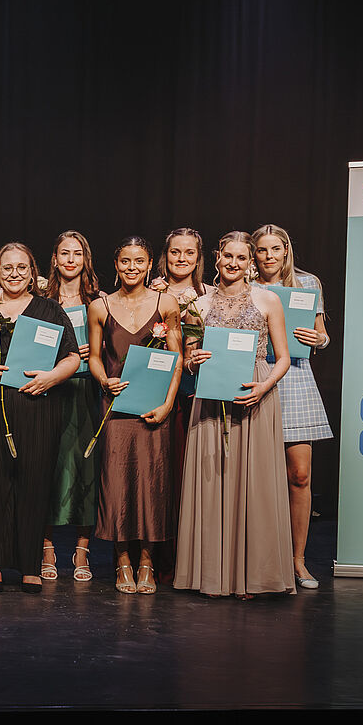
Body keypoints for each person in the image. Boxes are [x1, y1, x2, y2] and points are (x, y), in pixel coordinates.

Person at [0, 242, 82, 593]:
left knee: (34, 483)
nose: (14, 274)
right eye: (7, 268)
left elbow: (72, 356)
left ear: (32, 271)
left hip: (38, 407)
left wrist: (51, 378)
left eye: (22, 267)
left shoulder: (49, 310)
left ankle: (30, 566)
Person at [174, 231, 294, 598]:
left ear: (251, 263)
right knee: (212, 479)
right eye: (228, 256)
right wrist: (193, 360)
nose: (233, 263)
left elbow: (283, 358)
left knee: (253, 484)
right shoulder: (198, 304)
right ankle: (212, 575)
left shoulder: (268, 300)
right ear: (217, 257)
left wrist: (264, 386)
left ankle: (250, 576)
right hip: (211, 396)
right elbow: (188, 358)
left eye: (242, 258)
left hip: (253, 393)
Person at [88, 236, 183, 595]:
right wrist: (103, 380)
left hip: (153, 407)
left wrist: (168, 404)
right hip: (116, 408)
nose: (132, 267)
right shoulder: (100, 306)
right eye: (125, 261)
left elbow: (177, 360)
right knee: (117, 485)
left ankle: (147, 561)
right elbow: (94, 356)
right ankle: (122, 561)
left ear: (149, 265)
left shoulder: (166, 303)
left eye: (139, 261)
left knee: (151, 484)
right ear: (116, 265)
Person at [252, 223, 333, 590]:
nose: (269, 256)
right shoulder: (246, 285)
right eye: (262, 249)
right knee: (255, 478)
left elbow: (322, 334)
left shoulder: (307, 283)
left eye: (275, 249)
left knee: (299, 475)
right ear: (254, 254)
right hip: (256, 376)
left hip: (296, 378)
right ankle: (260, 560)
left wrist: (319, 339)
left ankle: (298, 560)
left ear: (286, 250)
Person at [148, 227, 208, 582]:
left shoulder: (210, 295)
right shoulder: (150, 292)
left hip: (196, 394)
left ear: (198, 258)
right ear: (165, 255)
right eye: (175, 252)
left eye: (189, 252)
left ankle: (192, 559)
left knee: (190, 477)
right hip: (158, 394)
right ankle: (159, 557)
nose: (181, 258)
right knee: (161, 477)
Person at [43, 231, 101, 583]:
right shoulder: (41, 301)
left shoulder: (98, 301)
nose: (70, 260)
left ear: (85, 259)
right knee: (47, 467)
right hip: (51, 391)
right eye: (64, 253)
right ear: (54, 258)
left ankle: (82, 550)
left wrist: (95, 351)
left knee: (85, 468)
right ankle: (46, 546)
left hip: (86, 392)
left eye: (77, 253)